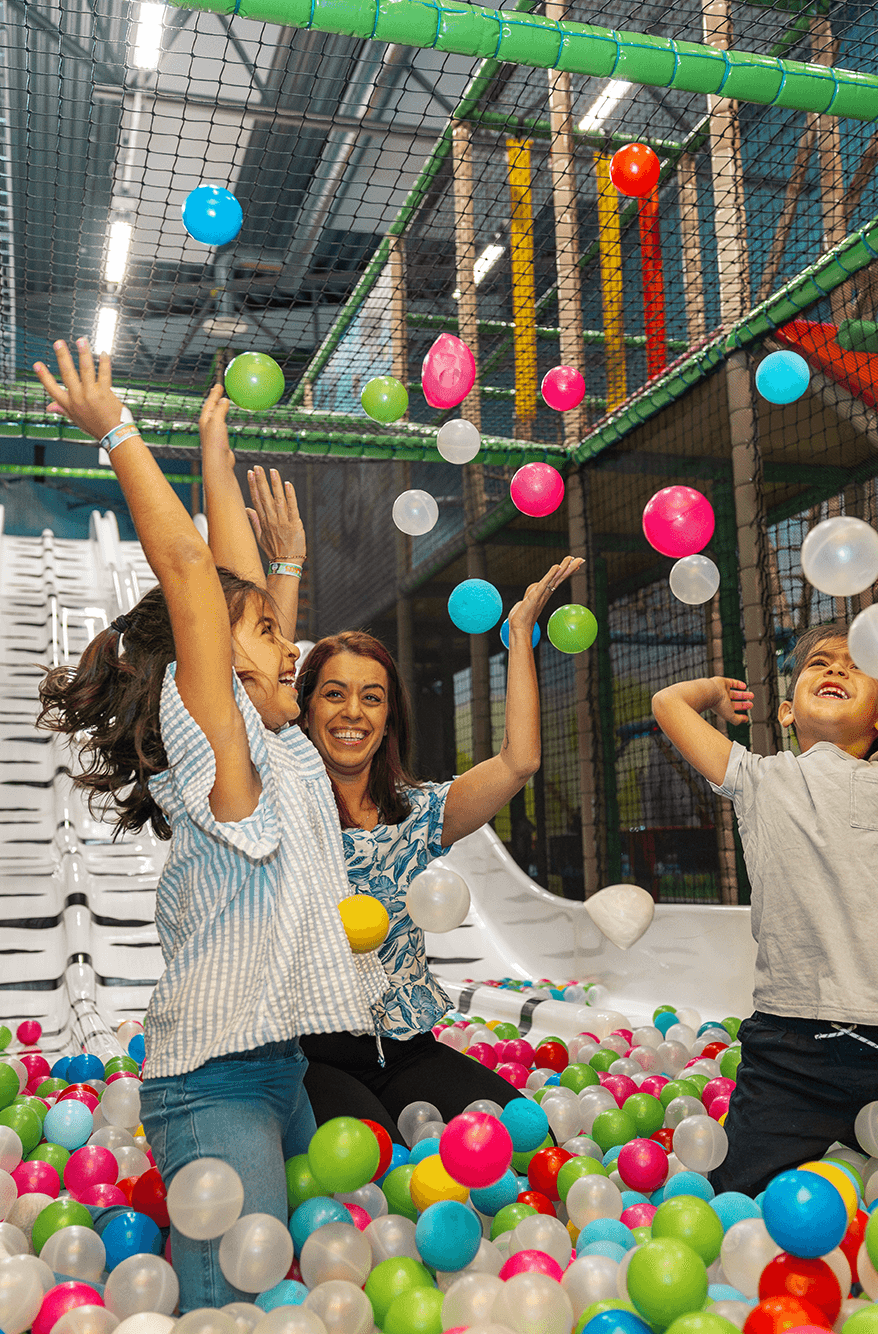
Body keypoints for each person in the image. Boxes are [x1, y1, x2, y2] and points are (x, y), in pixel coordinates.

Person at [33, 341, 377, 1309]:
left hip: (277, 1066)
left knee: (299, 1281)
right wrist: (118, 431)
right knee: (235, 1306)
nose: (292, 645)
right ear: (215, 671)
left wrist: (217, 459)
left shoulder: (279, 749)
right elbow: (195, 575)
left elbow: (232, 593)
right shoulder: (222, 758)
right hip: (213, 1081)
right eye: (270, 637)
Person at [650, 621, 878, 1194]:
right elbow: (667, 704)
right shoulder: (760, 778)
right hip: (787, 1054)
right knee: (736, 1199)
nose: (837, 668)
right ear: (787, 712)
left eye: (857, 665)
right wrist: (715, 691)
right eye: (819, 663)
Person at [265, 533, 580, 1137]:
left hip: (405, 1047)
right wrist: (286, 568)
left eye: (371, 698)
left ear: (388, 719)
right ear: (304, 709)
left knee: (523, 1135)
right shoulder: (279, 805)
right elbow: (249, 705)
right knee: (370, 1153)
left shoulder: (417, 815)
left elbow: (519, 761)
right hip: (308, 1054)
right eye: (333, 694)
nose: (352, 712)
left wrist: (519, 637)